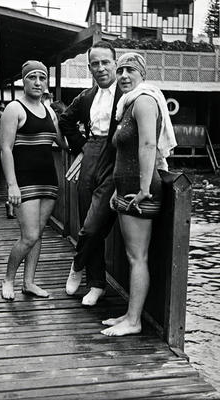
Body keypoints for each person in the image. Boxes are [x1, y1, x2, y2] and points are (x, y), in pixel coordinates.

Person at [101, 52, 177, 336]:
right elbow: (124, 152)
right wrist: (117, 191)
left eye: (130, 70)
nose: (123, 75)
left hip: (140, 191)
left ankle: (134, 321)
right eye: (119, 70)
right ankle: (129, 315)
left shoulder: (144, 101)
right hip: (127, 188)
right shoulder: (128, 104)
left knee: (137, 257)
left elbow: (147, 145)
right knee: (134, 256)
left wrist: (144, 189)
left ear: (142, 74)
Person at [59, 40, 122, 306]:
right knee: (86, 216)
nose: (100, 68)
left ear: (115, 64)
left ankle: (77, 264)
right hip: (90, 155)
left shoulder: (128, 93)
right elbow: (64, 120)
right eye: (95, 64)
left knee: (93, 224)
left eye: (105, 62)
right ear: (89, 68)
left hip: (115, 158)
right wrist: (82, 146)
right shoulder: (86, 97)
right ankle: (96, 284)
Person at [1, 60, 68, 301]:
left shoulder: (50, 111)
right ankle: (8, 279)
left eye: (42, 78)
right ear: (24, 80)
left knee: (38, 235)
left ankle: (29, 282)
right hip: (24, 181)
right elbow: (6, 149)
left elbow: (62, 143)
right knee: (28, 236)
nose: (37, 82)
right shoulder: (14, 109)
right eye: (32, 77)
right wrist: (12, 185)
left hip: (48, 180)